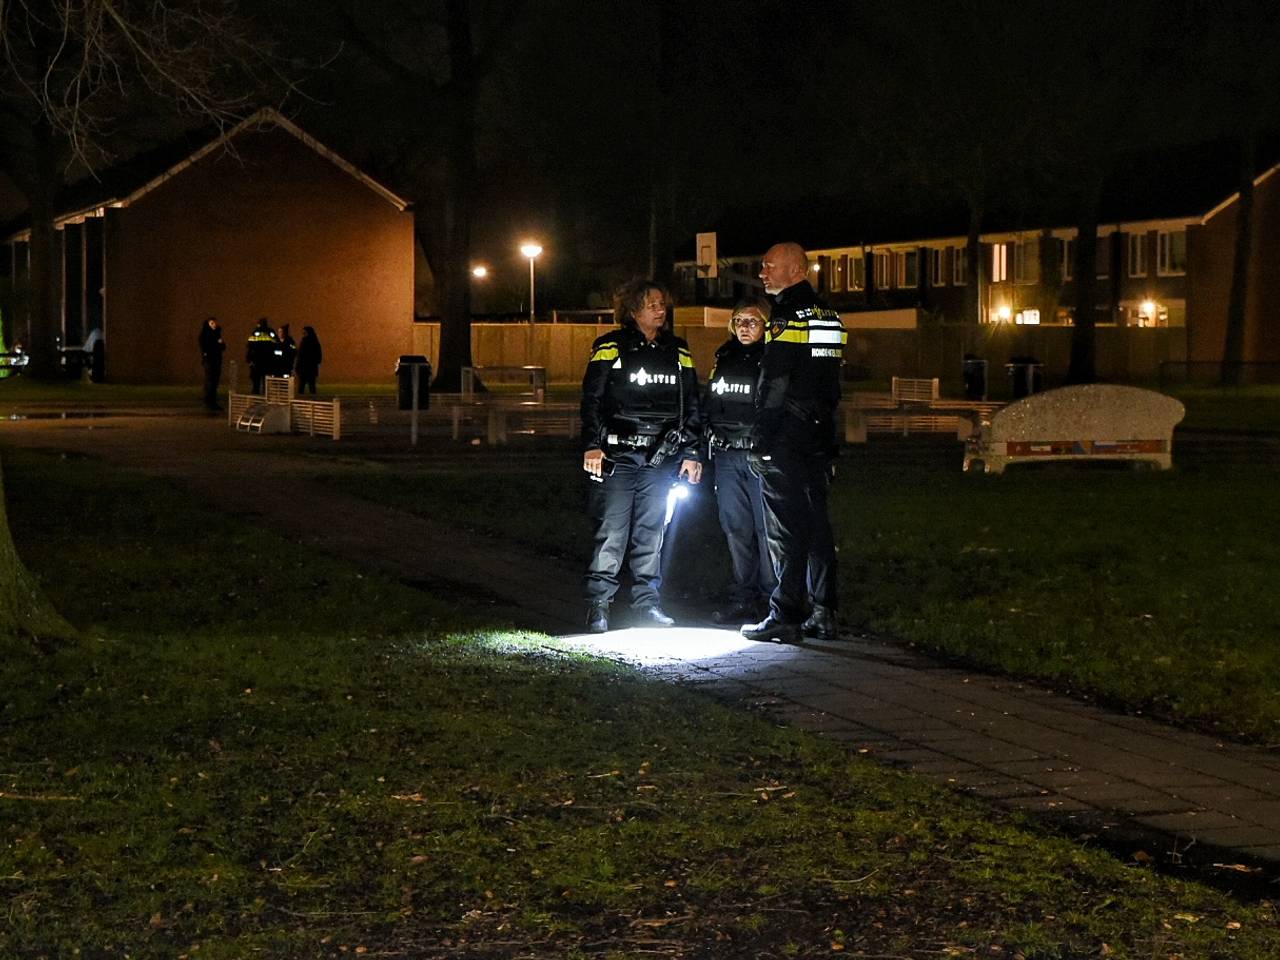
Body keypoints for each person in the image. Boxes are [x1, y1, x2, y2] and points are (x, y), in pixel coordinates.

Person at [580, 279, 703, 633]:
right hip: (618, 455)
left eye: (662, 303)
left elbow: (691, 404)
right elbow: (591, 400)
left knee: (652, 533)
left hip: (660, 458)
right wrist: (592, 444)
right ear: (633, 310)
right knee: (612, 532)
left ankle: (646, 605)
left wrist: (691, 451)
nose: (660, 310)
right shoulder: (610, 347)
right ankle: (599, 604)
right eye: (652, 304)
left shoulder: (678, 350)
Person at [742, 242, 848, 644]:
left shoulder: (786, 315)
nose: (763, 273)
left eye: (769, 266)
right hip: (820, 433)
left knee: (784, 527)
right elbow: (831, 379)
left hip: (787, 433)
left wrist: (761, 438)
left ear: (796, 270)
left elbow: (775, 382)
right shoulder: (830, 315)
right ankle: (825, 611)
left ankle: (786, 613)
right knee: (818, 524)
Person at [704, 297, 776, 625]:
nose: (745, 328)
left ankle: (771, 599)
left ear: (766, 326)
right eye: (740, 322)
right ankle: (743, 597)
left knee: (766, 530)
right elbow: (711, 402)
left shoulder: (773, 360)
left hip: (759, 457)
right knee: (735, 528)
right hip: (727, 455)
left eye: (753, 321)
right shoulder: (724, 357)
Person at [198, 317, 225, 410]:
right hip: (209, 360)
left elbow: (223, 346)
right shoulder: (205, 334)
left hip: (217, 360)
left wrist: (219, 344)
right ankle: (209, 401)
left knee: (215, 381)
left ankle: (212, 401)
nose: (214, 325)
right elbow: (206, 346)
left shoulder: (217, 333)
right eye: (212, 323)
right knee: (210, 381)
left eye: (215, 323)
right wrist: (217, 344)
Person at [246, 317, 277, 395]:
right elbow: (276, 344)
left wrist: (249, 360)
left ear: (258, 324)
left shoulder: (255, 333)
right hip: (268, 361)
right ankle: (266, 398)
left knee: (256, 382)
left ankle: (255, 399)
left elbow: (249, 347)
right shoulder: (271, 332)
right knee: (266, 382)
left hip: (257, 361)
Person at [296, 325, 322, 395]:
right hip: (309, 368)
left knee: (304, 386)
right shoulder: (314, 342)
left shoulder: (305, 342)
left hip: (306, 368)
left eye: (304, 333)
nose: (303, 334)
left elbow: (300, 356)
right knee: (309, 386)